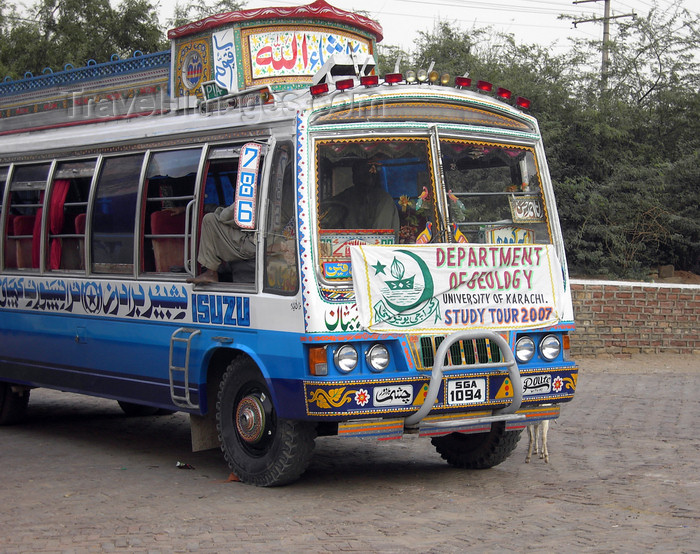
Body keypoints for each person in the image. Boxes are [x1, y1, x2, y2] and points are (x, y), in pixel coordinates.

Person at [322, 159, 400, 239]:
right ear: (354, 177)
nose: (363, 179)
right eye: (359, 175)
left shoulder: (384, 200)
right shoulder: (345, 197)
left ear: (373, 177)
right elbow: (327, 219)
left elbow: (382, 236)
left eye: (365, 175)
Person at [187, 204, 256, 284]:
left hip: (253, 244)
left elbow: (227, 216)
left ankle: (211, 273)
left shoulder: (254, 192)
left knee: (209, 219)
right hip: (265, 242)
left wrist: (219, 212)